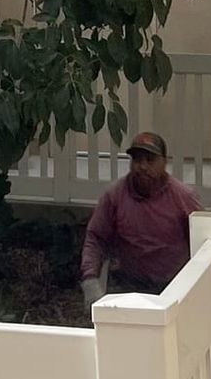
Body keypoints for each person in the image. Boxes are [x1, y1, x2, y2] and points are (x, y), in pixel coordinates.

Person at [79, 132, 201, 309]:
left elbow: (202, 242)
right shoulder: (114, 196)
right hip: (128, 286)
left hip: (173, 286)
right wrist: (90, 280)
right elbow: (96, 238)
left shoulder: (183, 198)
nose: (142, 166)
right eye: (137, 159)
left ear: (164, 162)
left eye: (150, 160)